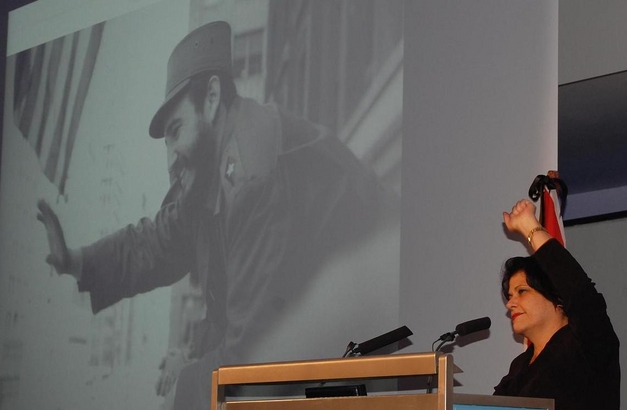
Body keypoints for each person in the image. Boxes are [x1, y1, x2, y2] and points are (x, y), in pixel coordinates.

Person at [37, 21, 394, 410]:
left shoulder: (251, 178)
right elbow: (155, 243)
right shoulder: (207, 174)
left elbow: (252, 361)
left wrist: (185, 383)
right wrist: (75, 261)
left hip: (386, 332)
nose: (171, 156)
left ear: (211, 97)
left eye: (176, 131)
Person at [495, 199, 620, 410]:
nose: (511, 304)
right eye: (509, 296)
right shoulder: (519, 368)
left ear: (556, 296)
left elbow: (580, 292)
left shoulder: (585, 344)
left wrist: (529, 227)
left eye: (522, 292)